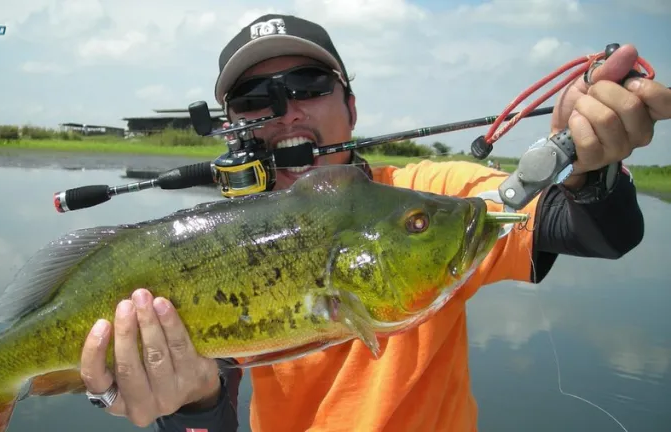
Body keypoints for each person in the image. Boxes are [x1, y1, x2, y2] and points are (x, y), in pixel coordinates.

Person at [78, 14, 670, 432]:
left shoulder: (425, 199)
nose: (285, 111)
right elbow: (213, 419)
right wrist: (187, 404)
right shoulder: (214, 242)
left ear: (351, 106)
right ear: (232, 123)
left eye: (307, 86)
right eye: (256, 98)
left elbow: (595, 231)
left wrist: (589, 168)